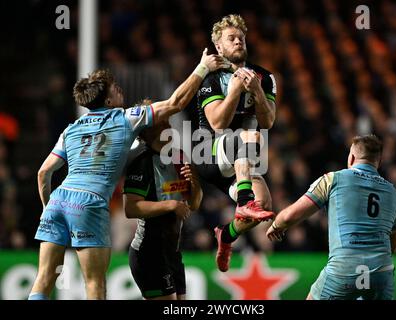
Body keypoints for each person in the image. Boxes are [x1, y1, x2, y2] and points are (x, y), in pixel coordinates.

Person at [28, 49, 229, 300]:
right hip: (89, 203)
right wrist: (202, 68)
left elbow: (43, 172)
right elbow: (175, 103)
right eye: (114, 88)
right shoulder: (125, 118)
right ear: (108, 101)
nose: (120, 89)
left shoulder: (71, 129)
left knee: (44, 278)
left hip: (58, 201)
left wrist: (49, 208)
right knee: (95, 284)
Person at [267, 134, 396, 300]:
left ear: (352, 157)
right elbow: (393, 245)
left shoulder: (333, 180)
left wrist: (276, 225)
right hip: (382, 272)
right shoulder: (395, 194)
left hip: (345, 266)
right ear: (378, 162)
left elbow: (290, 216)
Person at [194, 14, 277, 272]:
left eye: (241, 37)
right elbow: (218, 123)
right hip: (208, 153)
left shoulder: (263, 77)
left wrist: (258, 92)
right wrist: (234, 92)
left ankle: (226, 235)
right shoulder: (210, 78)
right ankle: (243, 201)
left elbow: (268, 121)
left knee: (264, 206)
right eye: (231, 38)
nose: (238, 41)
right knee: (247, 135)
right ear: (219, 47)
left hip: (240, 160)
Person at [123, 114, 202, 300]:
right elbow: (131, 209)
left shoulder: (179, 157)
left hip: (172, 253)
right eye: (162, 123)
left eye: (168, 121)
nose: (169, 125)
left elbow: (194, 204)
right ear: (149, 131)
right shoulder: (141, 163)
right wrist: (171, 205)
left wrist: (194, 183)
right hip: (149, 253)